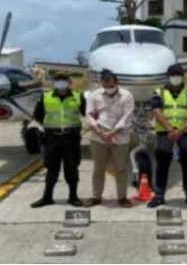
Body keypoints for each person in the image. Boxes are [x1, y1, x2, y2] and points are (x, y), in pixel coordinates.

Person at [148, 64, 187, 208]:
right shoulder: (158, 92)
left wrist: (180, 130)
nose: (176, 77)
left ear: (182, 76)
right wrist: (170, 129)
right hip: (164, 133)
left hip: (185, 133)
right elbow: (156, 111)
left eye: (178, 74)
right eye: (173, 74)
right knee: (162, 165)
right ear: (168, 76)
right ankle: (159, 195)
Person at [31, 71, 85, 208]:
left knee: (72, 169)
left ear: (69, 82)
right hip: (51, 139)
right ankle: (47, 197)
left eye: (64, 79)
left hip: (71, 138)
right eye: (58, 80)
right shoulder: (46, 97)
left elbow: (88, 114)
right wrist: (38, 133)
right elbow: (37, 117)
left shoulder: (78, 96)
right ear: (54, 83)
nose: (61, 82)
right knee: (51, 169)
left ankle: (73, 197)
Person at [84, 69, 135, 208]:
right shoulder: (94, 96)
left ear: (116, 81)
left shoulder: (127, 95)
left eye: (110, 82)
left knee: (121, 168)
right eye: (104, 82)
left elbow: (127, 117)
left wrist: (112, 133)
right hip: (98, 137)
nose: (107, 86)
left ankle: (122, 197)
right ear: (101, 82)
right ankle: (96, 197)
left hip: (120, 136)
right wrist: (100, 132)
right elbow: (89, 115)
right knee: (98, 168)